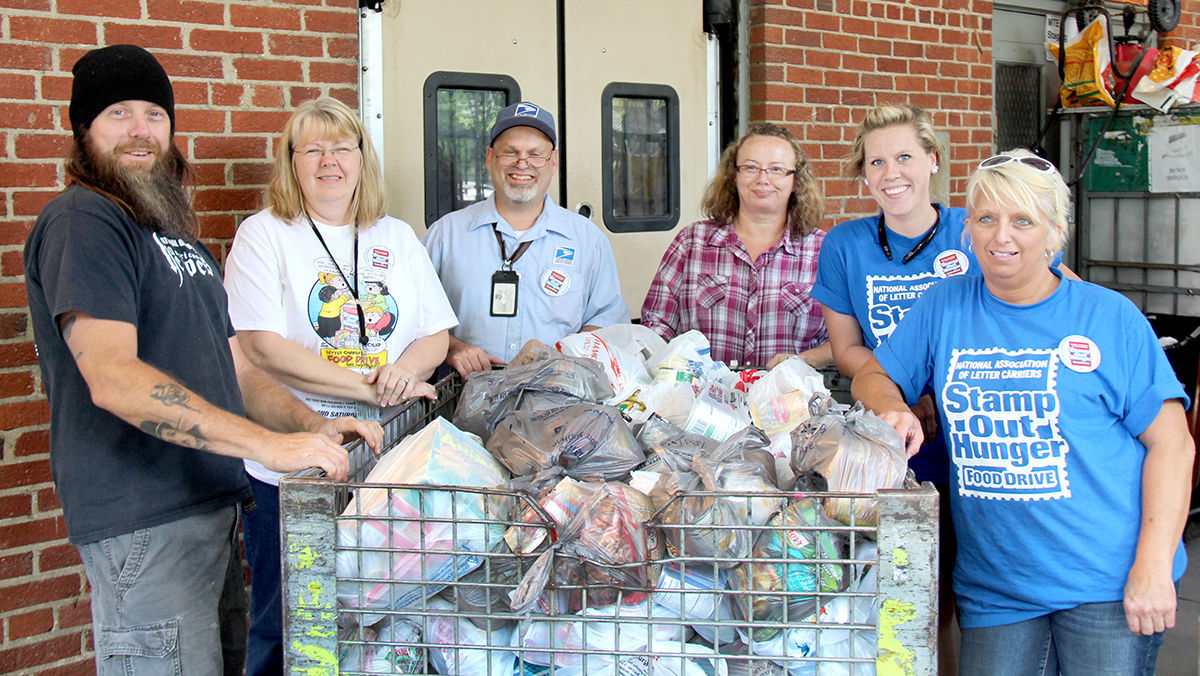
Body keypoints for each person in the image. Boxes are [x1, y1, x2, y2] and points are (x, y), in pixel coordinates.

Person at [23, 45, 375, 676]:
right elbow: (112, 378)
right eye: (119, 113)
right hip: (143, 522)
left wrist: (305, 425)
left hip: (206, 509)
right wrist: (266, 449)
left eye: (155, 114)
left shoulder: (170, 231)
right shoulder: (85, 220)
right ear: (82, 130)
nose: (141, 130)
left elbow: (234, 364)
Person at [852, 149, 1193, 675]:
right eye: (986, 218)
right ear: (969, 229)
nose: (1000, 236)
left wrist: (1151, 565)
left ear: (1055, 232)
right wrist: (894, 408)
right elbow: (873, 374)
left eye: (1022, 221)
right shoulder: (945, 306)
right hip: (998, 588)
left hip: (1106, 583)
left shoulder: (1109, 317)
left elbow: (1173, 444)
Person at [223, 96, 457, 676]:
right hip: (293, 467)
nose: (331, 160)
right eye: (314, 149)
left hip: (384, 456)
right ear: (292, 162)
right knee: (290, 615)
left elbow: (435, 335)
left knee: (377, 608)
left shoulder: (396, 235)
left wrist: (407, 372)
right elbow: (261, 346)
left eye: (343, 147)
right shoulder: (264, 235)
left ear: (361, 158)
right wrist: (365, 387)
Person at [810, 103, 964, 671]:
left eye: (904, 156)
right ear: (863, 173)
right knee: (914, 582)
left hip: (972, 430)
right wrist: (896, 400)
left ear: (932, 161)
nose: (891, 172)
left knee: (973, 579)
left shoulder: (971, 231)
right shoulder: (845, 244)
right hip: (895, 434)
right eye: (877, 161)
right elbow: (848, 350)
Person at [422, 101, 629, 376]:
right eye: (510, 152)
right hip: (462, 395)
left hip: (556, 396)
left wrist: (560, 357)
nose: (523, 164)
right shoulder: (444, 236)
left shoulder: (588, 240)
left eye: (536, 154)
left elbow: (608, 323)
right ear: (489, 158)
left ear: (553, 161)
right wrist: (452, 347)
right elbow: (412, 319)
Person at [640, 123, 831, 368]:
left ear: (795, 180)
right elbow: (656, 326)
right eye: (751, 167)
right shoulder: (692, 242)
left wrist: (803, 361)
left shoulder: (823, 251)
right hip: (699, 398)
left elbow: (842, 342)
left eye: (777, 169)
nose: (763, 179)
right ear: (734, 175)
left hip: (788, 400)